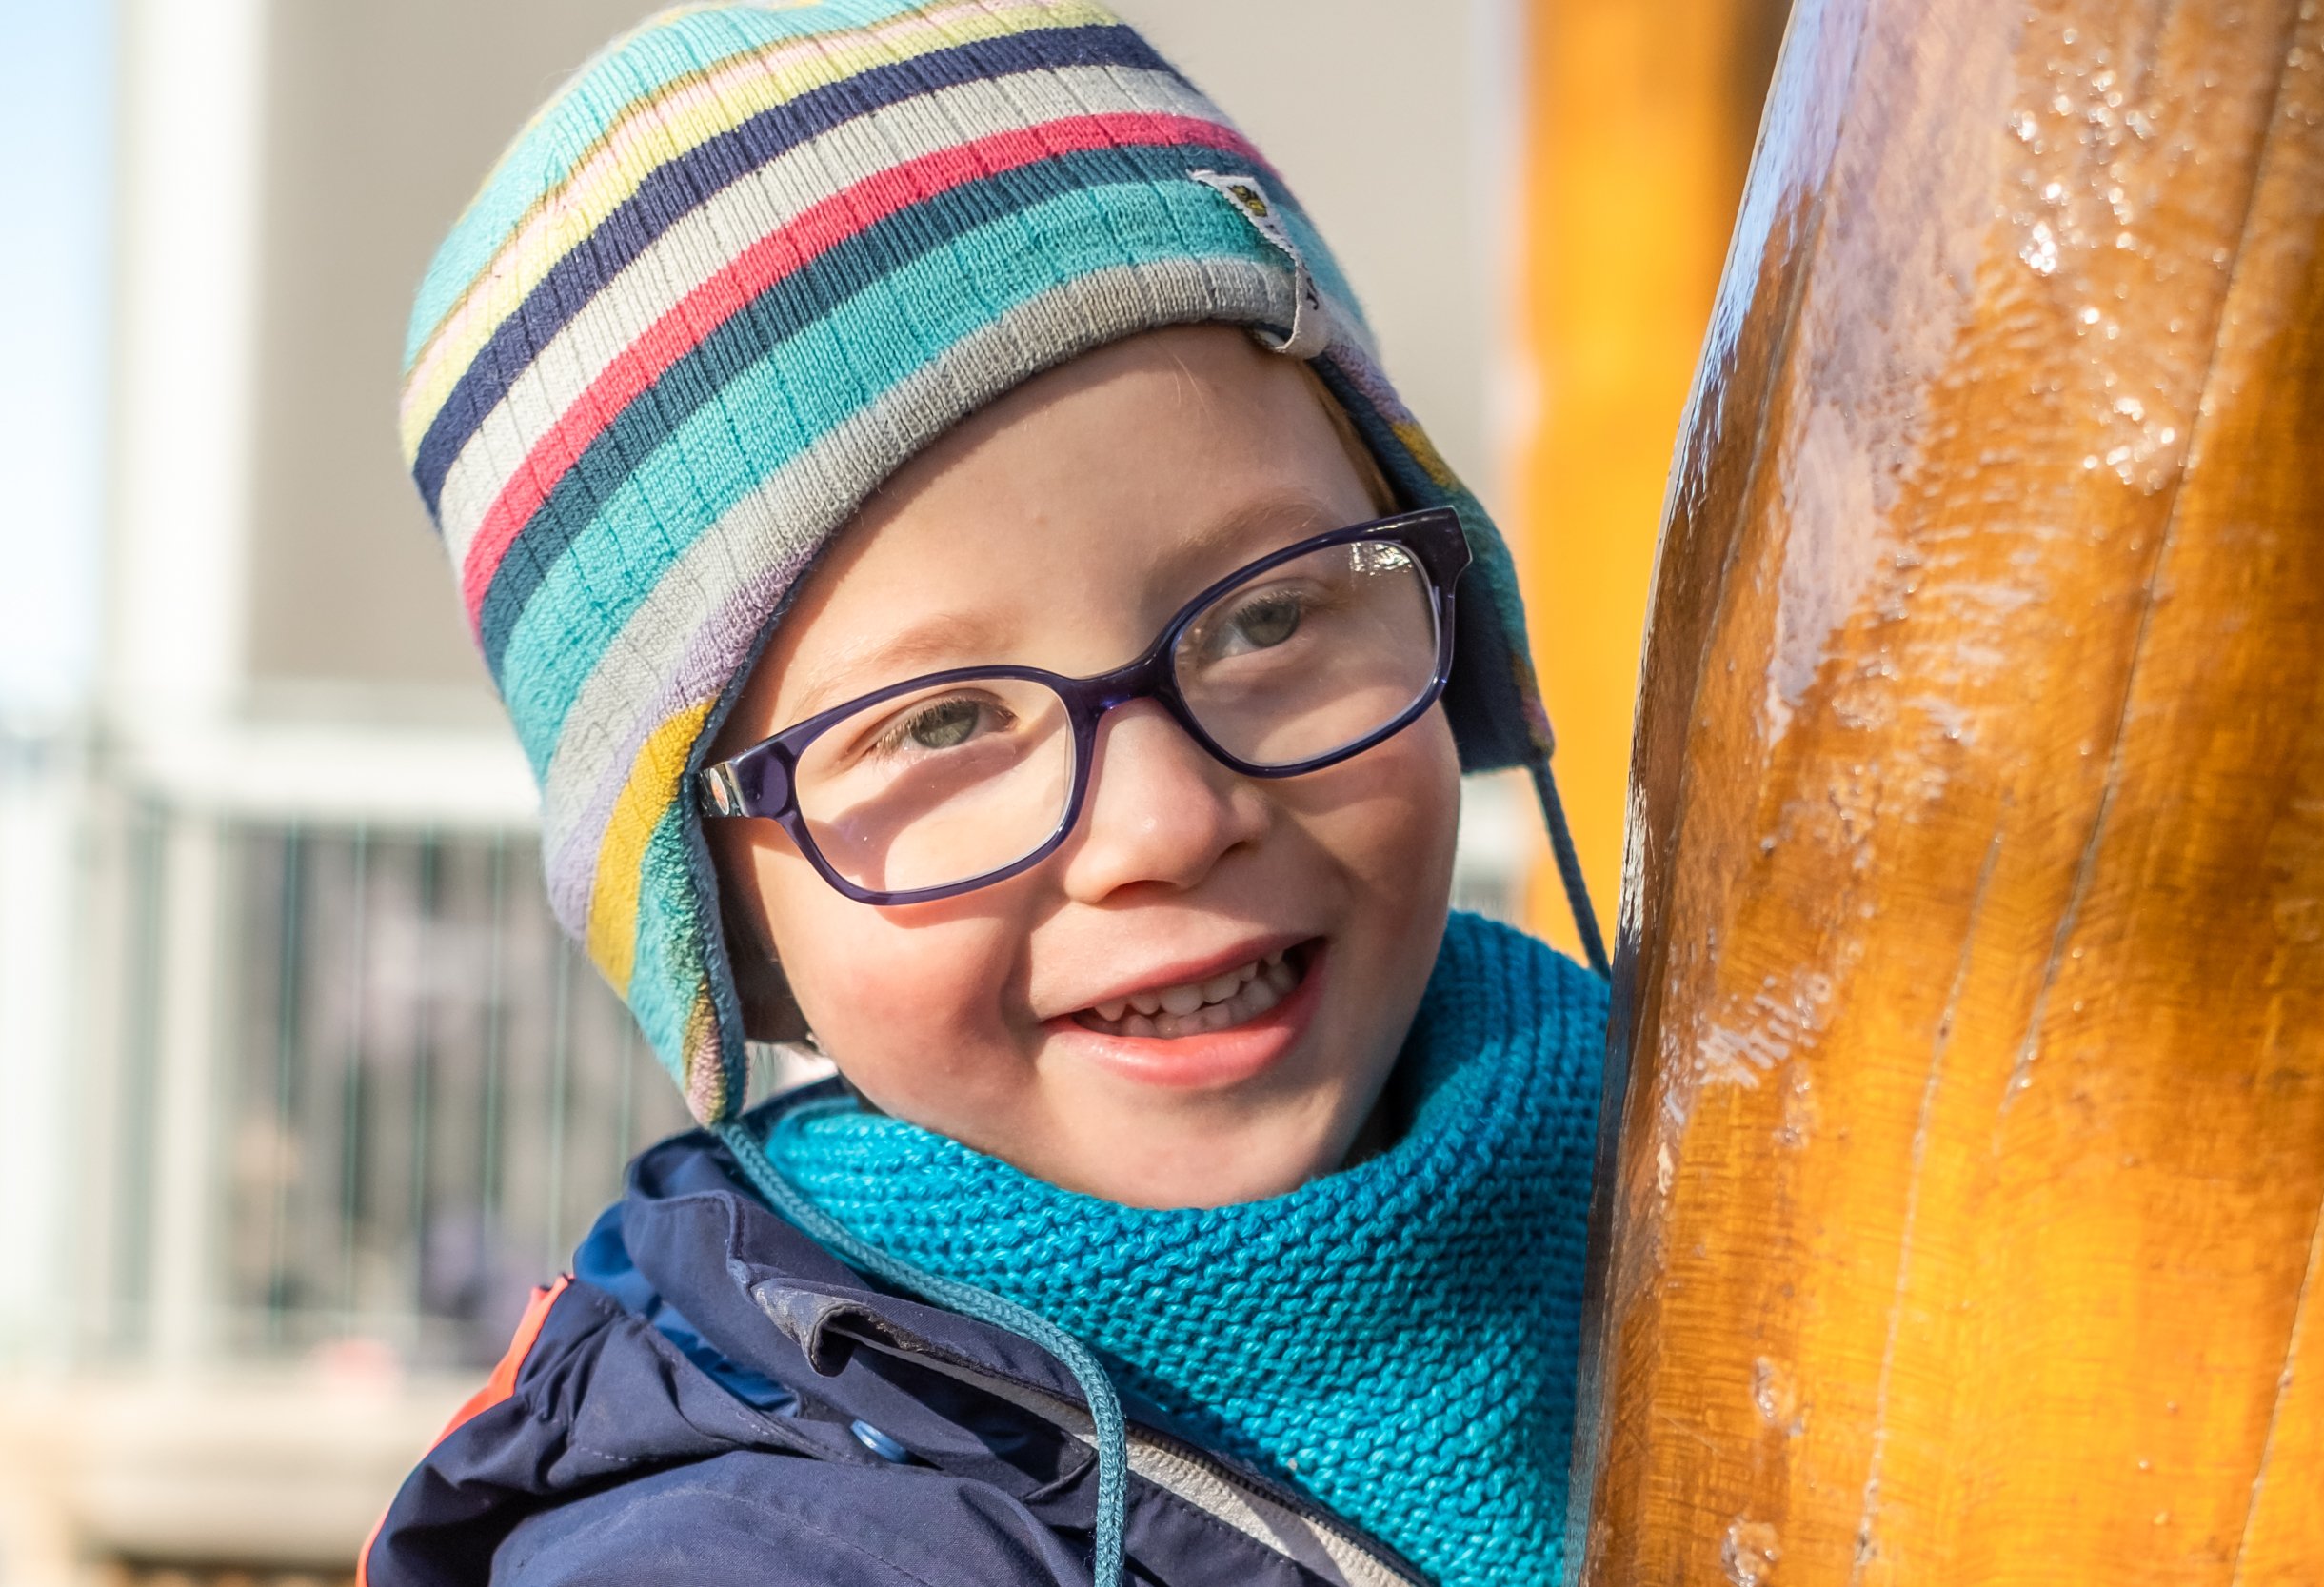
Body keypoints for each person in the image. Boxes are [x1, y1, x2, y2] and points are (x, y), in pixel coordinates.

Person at [365, 4, 1611, 1584]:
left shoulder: (1738, 1167)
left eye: (1270, 618)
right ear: (719, 925)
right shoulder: (744, 1558)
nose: (1167, 821)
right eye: (941, 722)